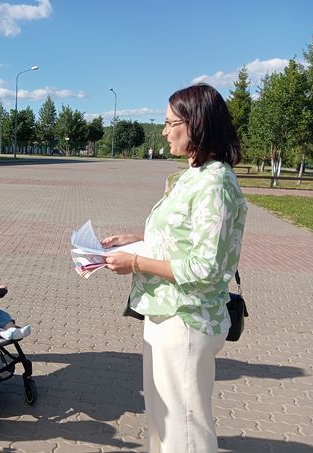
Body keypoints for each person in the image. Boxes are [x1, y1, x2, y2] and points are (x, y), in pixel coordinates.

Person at [101, 83, 247, 453]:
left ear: (195, 124)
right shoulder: (194, 176)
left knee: (185, 429)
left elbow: (205, 267)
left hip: (186, 319)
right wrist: (135, 239)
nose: (164, 132)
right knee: (165, 419)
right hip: (165, 313)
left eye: (169, 123)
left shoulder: (215, 183)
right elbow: (185, 237)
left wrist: (134, 261)